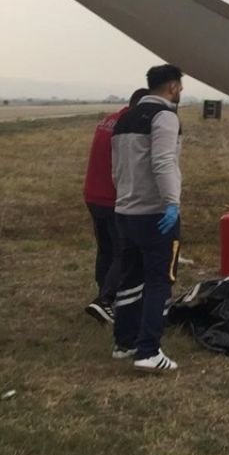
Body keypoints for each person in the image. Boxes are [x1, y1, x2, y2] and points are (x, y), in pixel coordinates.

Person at [110, 64, 185, 372]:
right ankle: (149, 351)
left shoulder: (125, 118)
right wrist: (172, 203)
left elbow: (117, 167)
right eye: (179, 85)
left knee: (129, 278)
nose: (180, 91)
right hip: (154, 214)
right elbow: (164, 161)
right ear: (172, 87)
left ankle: (124, 343)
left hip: (125, 211)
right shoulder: (165, 116)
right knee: (159, 282)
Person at [83, 87, 150, 324]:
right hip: (114, 198)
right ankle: (105, 300)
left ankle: (103, 297)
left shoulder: (108, 120)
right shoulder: (130, 126)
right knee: (125, 250)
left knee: (106, 249)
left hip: (93, 194)